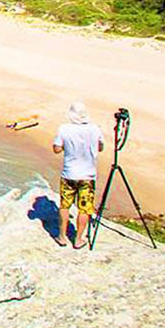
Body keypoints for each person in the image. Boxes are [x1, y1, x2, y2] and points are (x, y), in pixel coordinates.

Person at [52, 101, 104, 248]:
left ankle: (62, 237)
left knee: (64, 205)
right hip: (87, 176)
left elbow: (56, 149)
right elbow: (100, 147)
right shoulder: (95, 129)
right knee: (85, 207)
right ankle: (78, 239)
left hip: (69, 174)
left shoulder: (64, 129)